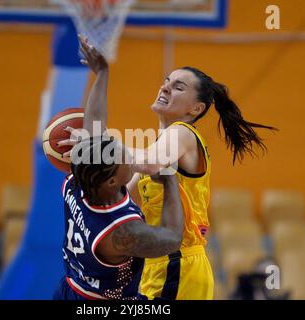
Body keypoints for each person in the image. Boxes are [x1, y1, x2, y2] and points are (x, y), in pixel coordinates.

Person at [61, 39, 277, 300]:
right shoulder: (158, 151)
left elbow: (147, 163)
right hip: (155, 263)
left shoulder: (182, 134)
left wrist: (96, 150)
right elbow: (119, 194)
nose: (165, 87)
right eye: (166, 80)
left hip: (180, 264)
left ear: (196, 109)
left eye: (178, 87)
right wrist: (89, 163)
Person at [52, 36, 184, 300]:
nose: (129, 157)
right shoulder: (121, 232)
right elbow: (171, 238)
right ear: (112, 182)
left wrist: (102, 73)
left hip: (70, 288)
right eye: (124, 158)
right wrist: (169, 180)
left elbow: (94, 127)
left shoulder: (78, 179)